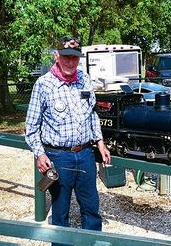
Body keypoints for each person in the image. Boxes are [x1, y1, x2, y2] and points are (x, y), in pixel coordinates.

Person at [25, 36, 111, 246]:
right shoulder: (44, 84)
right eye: (66, 57)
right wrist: (40, 153)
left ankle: (91, 242)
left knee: (91, 206)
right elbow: (31, 126)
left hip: (85, 154)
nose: (71, 62)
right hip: (58, 156)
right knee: (61, 209)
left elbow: (92, 114)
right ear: (57, 56)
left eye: (75, 58)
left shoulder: (84, 79)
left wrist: (100, 142)